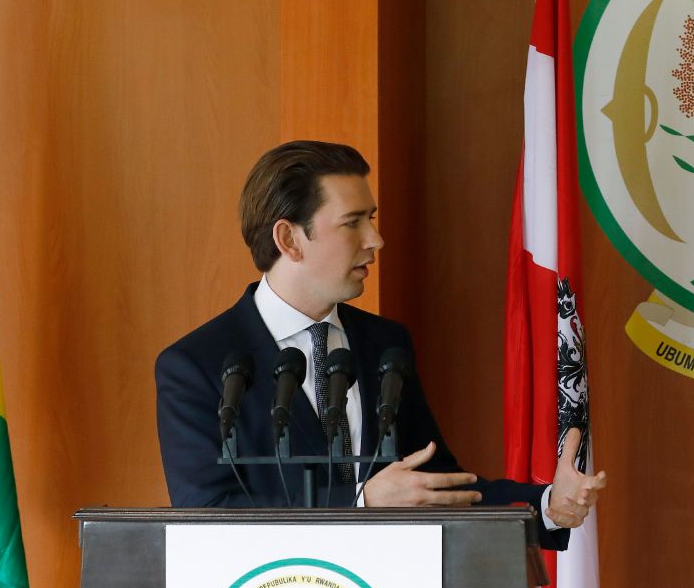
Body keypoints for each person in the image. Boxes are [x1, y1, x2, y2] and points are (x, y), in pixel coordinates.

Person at [155, 140, 605, 537]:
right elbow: (206, 519)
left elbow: (435, 485)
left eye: (371, 219)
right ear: (289, 239)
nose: (376, 239)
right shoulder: (196, 365)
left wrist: (546, 504)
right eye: (352, 223)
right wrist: (361, 504)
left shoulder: (383, 344)